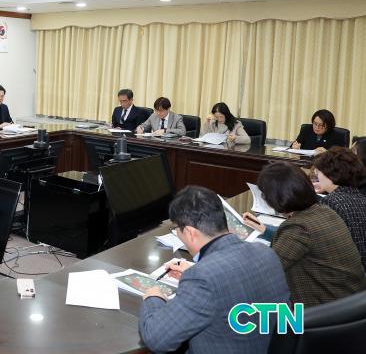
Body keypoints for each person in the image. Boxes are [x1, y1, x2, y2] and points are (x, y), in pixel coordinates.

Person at [139, 186, 289, 354]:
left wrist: (153, 297)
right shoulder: (266, 253)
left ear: (189, 232)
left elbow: (156, 339)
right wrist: (194, 276)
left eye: (176, 230)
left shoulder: (202, 278)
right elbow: (230, 285)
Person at [243, 162, 366, 307]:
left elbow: (263, 271)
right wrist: (265, 230)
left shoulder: (299, 227)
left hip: (324, 310)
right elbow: (301, 243)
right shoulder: (324, 210)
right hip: (349, 303)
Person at [312, 147, 366, 271]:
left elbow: (319, 244)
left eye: (319, 172)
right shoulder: (360, 197)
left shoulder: (330, 203)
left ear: (330, 174)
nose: (317, 175)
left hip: (344, 272)